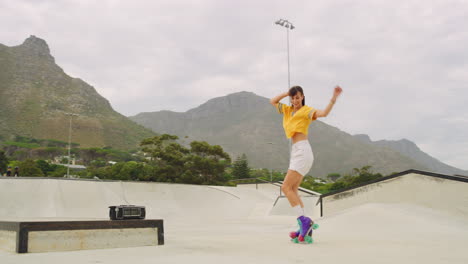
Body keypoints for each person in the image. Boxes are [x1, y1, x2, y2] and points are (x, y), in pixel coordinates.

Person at [270, 85, 342, 243]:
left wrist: (333, 98)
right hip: (296, 152)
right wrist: (286, 93)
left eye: (297, 97)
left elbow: (323, 113)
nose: (295, 100)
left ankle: (303, 221)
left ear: (303, 97)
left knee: (285, 187)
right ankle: (305, 228)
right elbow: (273, 101)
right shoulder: (288, 110)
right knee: (293, 189)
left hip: (303, 151)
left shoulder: (306, 111)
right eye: (293, 98)